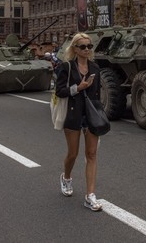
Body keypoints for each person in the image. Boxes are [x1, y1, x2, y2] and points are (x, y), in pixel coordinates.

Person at [54, 33, 103, 212]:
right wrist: (78, 88)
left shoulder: (95, 68)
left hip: (91, 114)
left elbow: (97, 93)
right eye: (83, 46)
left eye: (89, 46)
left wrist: (100, 112)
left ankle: (90, 196)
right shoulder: (66, 67)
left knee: (91, 154)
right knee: (72, 154)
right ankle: (66, 177)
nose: (87, 49)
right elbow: (59, 91)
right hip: (73, 114)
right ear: (75, 49)